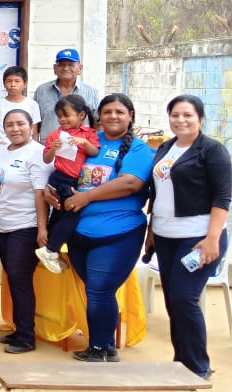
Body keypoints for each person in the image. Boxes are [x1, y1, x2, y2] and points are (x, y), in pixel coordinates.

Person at [53, 94, 153, 362]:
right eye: (107, 111)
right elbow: (63, 171)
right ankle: (105, 345)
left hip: (118, 232)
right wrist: (54, 194)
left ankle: (98, 348)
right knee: (96, 290)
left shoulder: (138, 149)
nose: (113, 116)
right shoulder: (88, 141)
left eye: (120, 112)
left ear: (130, 115)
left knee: (99, 289)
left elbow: (130, 183)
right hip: (78, 231)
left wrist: (86, 197)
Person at [148, 95, 230, 378]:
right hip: (165, 236)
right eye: (175, 115)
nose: (180, 120)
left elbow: (222, 197)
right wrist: (151, 232)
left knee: (184, 298)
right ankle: (180, 362)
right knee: (173, 300)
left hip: (197, 238)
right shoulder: (167, 147)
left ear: (200, 119)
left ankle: (197, 367)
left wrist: (212, 239)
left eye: (188, 115)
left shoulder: (212, 150)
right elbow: (158, 193)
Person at [0, 109, 49, 354]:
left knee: (19, 279)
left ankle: (26, 337)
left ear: (31, 126)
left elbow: (40, 192)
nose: (15, 129)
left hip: (26, 225)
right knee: (13, 278)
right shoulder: (1, 151)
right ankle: (19, 327)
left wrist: (42, 228)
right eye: (9, 124)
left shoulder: (38, 153)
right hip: (2, 224)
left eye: (20, 124)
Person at [37, 95, 100, 274]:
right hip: (61, 178)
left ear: (81, 115)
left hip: (76, 180)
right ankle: (51, 250)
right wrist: (53, 149)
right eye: (59, 116)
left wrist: (84, 142)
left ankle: (49, 249)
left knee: (60, 215)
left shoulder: (88, 133)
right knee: (72, 213)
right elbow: (46, 158)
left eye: (67, 115)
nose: (62, 119)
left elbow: (94, 151)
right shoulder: (55, 135)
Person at [36, 48, 102, 140]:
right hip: (48, 149)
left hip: (80, 150)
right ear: (55, 68)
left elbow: (98, 122)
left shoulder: (90, 92)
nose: (66, 68)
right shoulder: (42, 90)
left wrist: (95, 145)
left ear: (80, 68)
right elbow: (34, 123)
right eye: (62, 65)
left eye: (71, 65)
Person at [0, 66, 41, 149]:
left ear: (25, 84)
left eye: (17, 81)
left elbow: (35, 133)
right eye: (9, 81)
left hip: (26, 150)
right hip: (2, 149)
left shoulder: (32, 104)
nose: (13, 85)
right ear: (4, 84)